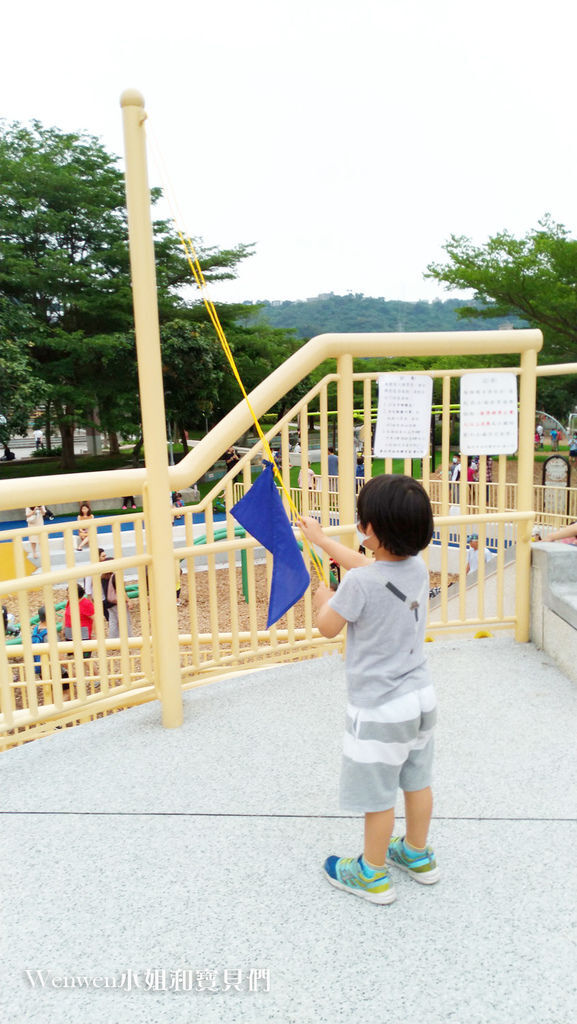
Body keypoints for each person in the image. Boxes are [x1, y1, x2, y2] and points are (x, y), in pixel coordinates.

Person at [299, 474, 439, 904]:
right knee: (417, 781)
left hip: (380, 708)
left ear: (371, 531)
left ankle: (372, 874)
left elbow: (326, 628)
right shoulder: (417, 568)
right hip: (420, 699)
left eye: (362, 521)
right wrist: (323, 542)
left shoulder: (358, 585)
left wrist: (323, 597)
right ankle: (416, 854)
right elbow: (370, 569)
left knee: (378, 796)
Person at [106, 572, 133, 639]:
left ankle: (113, 640)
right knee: (125, 621)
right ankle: (129, 639)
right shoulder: (117, 575)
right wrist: (128, 600)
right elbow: (120, 590)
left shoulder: (107, 576)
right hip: (118, 602)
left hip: (109, 603)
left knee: (113, 622)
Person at [31, 607, 48, 676]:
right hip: (52, 669)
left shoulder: (36, 629)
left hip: (40, 666)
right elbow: (59, 656)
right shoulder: (48, 634)